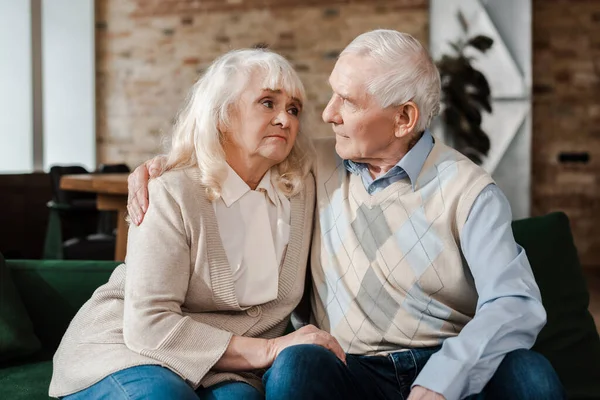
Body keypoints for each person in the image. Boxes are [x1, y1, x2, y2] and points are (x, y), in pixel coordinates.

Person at [128, 30, 565, 400]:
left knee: (531, 374)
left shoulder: (469, 191)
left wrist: (443, 381)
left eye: (348, 102)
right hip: (347, 366)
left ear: (403, 119)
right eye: (331, 94)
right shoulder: (313, 165)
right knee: (296, 365)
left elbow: (514, 303)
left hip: (446, 362)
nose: (326, 113)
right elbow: (231, 148)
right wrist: (166, 166)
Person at [49, 48, 348, 400]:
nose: (285, 119)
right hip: (127, 350)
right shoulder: (171, 192)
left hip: (225, 369)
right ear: (222, 115)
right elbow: (148, 325)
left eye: (293, 109)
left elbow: (367, 140)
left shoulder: (303, 187)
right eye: (268, 103)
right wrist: (270, 350)